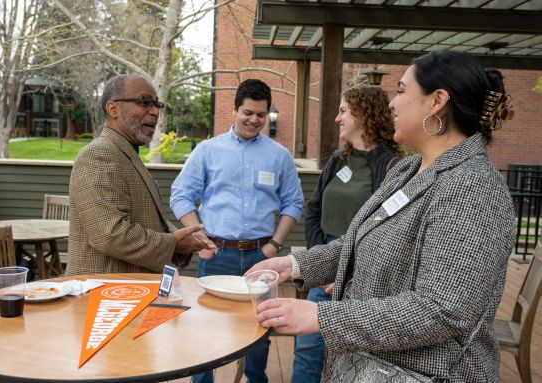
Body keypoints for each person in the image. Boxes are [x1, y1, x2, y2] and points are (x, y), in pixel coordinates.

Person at [247, 51, 516, 382]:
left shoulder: (472, 188)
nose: (391, 104)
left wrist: (323, 316)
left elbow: (442, 310)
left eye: (401, 91)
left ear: (437, 101)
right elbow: (360, 240)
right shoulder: (407, 169)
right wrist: (295, 266)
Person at [170, 78, 304, 383]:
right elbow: (180, 195)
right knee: (205, 326)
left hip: (262, 257)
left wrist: (275, 245)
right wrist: (198, 237)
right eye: (248, 112)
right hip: (217, 255)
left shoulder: (279, 155)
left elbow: (293, 202)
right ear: (235, 110)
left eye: (261, 114)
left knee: (260, 330)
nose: (254, 120)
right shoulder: (208, 151)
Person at [291, 86, 403, 383]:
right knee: (308, 347)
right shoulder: (338, 159)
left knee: (350, 352)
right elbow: (314, 210)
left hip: (363, 270)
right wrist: (320, 264)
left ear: (364, 115)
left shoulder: (392, 166)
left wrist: (344, 270)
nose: (338, 119)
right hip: (325, 259)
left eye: (343, 111)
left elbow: (386, 228)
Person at [66, 74, 213, 276]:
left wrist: (187, 240)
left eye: (156, 104)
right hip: (103, 296)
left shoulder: (125, 153)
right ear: (113, 109)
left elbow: (145, 221)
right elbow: (110, 235)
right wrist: (173, 243)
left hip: (127, 292)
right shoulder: (98, 154)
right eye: (144, 102)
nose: (154, 112)